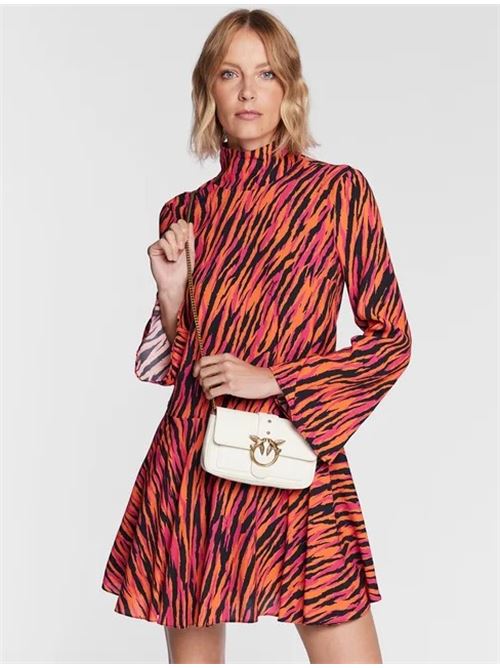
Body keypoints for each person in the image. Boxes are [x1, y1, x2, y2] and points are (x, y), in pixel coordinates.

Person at [101, 8, 412, 664]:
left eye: (265, 74)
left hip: (290, 453)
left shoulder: (339, 194)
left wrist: (274, 378)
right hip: (196, 461)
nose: (247, 91)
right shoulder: (186, 213)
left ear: (289, 89)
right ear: (208, 91)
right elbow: (179, 365)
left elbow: (391, 339)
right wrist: (172, 295)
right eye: (229, 74)